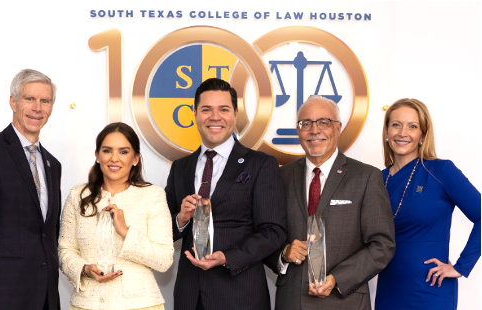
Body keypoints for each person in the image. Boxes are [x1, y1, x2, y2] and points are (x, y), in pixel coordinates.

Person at [264, 95, 396, 310]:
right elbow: (265, 234)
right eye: (305, 123)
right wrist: (283, 254)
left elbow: (382, 245)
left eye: (324, 122)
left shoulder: (366, 177)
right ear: (298, 130)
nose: (314, 130)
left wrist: (338, 278)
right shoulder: (280, 176)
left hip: (345, 300)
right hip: (292, 301)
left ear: (339, 128)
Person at [166, 78, 286, 310]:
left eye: (223, 109)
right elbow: (162, 231)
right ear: (195, 114)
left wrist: (228, 257)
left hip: (240, 295)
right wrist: (180, 220)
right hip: (190, 297)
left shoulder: (261, 164)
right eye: (206, 109)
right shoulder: (180, 167)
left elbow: (273, 232)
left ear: (235, 114)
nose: (215, 117)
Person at [0, 69, 61, 310]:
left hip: (46, 298)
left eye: (45, 101)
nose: (37, 108)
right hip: (2, 297)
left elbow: (48, 235)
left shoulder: (53, 164)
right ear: (13, 102)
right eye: (29, 99)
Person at [375, 98, 481, 309]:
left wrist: (461, 266)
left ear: (422, 134)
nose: (402, 133)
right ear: (387, 131)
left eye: (412, 126)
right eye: (396, 124)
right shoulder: (376, 179)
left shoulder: (442, 171)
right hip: (389, 290)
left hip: (430, 290)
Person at [58, 122, 173, 310]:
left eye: (123, 152)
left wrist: (126, 232)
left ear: (135, 158)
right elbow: (64, 251)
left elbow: (164, 260)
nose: (114, 158)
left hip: (141, 305)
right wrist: (85, 270)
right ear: (97, 156)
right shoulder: (78, 196)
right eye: (107, 150)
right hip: (86, 304)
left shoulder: (153, 195)